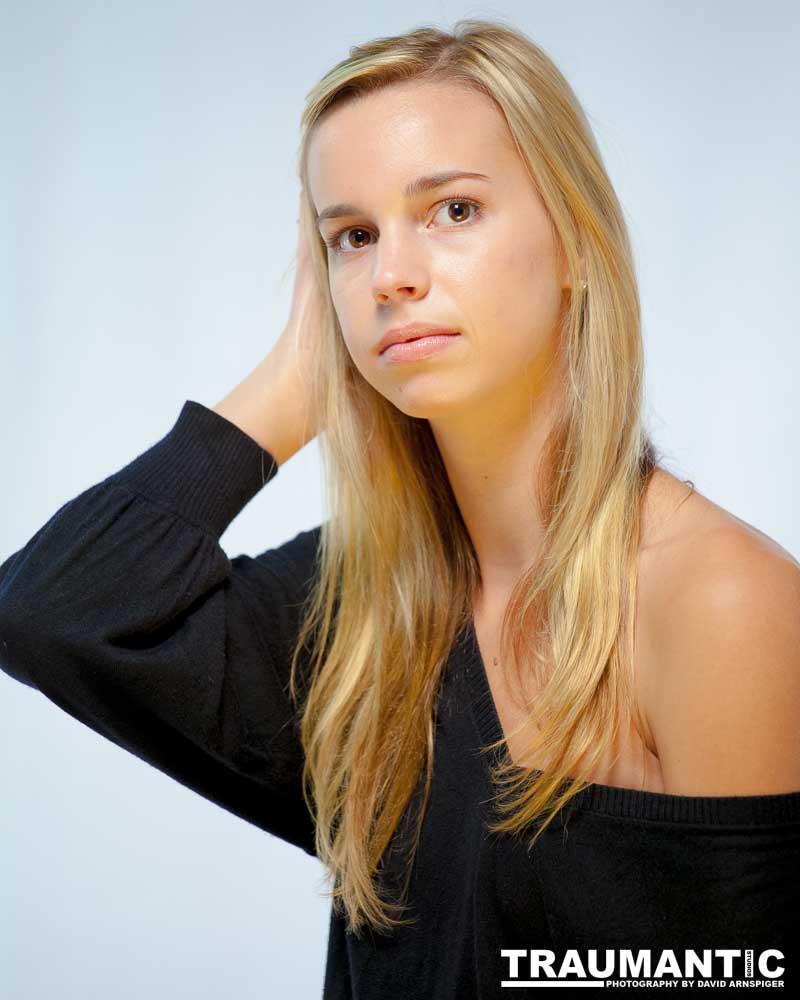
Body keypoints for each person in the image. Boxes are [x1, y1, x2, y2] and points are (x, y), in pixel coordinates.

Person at [2, 17, 799, 994]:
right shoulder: (358, 609)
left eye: (453, 211)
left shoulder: (718, 602)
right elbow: (50, 611)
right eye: (352, 235)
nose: (392, 276)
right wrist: (298, 378)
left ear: (573, 246)